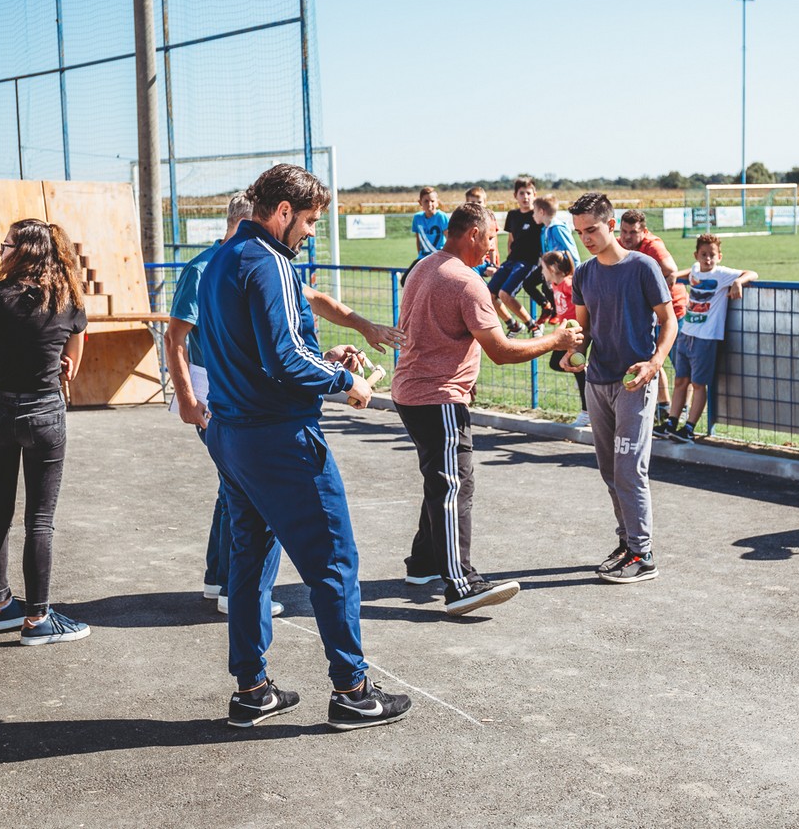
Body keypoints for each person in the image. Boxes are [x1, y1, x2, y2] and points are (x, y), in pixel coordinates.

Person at [196, 163, 410, 732]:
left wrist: (327, 359)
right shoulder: (270, 262)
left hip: (233, 433)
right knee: (334, 562)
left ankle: (252, 689)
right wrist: (347, 382)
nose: (313, 232)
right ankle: (353, 691)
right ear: (283, 212)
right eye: (311, 221)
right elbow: (283, 358)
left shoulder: (222, 258)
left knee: (250, 560)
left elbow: (260, 350)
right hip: (279, 439)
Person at [165, 192, 404, 617]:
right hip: (224, 396)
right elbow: (175, 338)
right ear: (251, 223)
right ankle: (231, 588)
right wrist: (186, 398)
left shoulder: (261, 264)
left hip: (245, 395)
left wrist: (360, 329)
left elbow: (311, 303)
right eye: (307, 221)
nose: (307, 233)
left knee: (233, 492)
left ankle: (217, 580)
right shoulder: (208, 268)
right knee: (253, 501)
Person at [392, 204, 581, 615]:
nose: (494, 248)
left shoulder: (426, 265)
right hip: (436, 397)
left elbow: (436, 331)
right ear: (474, 234)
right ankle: (461, 583)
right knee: (454, 485)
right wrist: (555, 340)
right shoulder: (467, 281)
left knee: (439, 480)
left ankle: (423, 564)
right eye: (492, 238)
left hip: (413, 391)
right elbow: (501, 350)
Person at [0, 219, 90, 645]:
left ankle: (1, 606)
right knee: (39, 521)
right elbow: (78, 335)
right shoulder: (66, 296)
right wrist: (68, 360)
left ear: (20, 250)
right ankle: (37, 619)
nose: (0, 252)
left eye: (4, 245)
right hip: (44, 412)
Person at [560, 193, 676, 584]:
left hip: (634, 383)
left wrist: (656, 362)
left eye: (591, 229)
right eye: (579, 232)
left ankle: (643, 554)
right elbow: (584, 330)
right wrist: (572, 350)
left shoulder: (643, 267)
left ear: (611, 226)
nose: (585, 238)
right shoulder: (584, 274)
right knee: (610, 471)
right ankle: (627, 543)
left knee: (629, 469)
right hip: (597, 382)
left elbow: (669, 321)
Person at [663, 234, 757, 443]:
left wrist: (739, 282)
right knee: (680, 380)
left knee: (698, 384)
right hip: (686, 334)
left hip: (706, 338)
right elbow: (692, 272)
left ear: (719, 257)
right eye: (703, 255)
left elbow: (752, 273)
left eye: (712, 255)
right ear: (696, 255)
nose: (708, 259)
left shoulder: (722, 274)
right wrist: (676, 275)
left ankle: (689, 427)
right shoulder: (696, 269)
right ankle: (671, 421)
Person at [614, 209, 686, 437]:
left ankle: (680, 412)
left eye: (633, 233)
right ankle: (663, 406)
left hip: (671, 311)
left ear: (644, 232)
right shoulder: (619, 245)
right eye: (624, 231)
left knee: (680, 367)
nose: (627, 238)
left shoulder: (653, 246)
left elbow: (672, 272)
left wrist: (644, 294)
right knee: (651, 360)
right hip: (647, 314)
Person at [487, 177, 544, 337]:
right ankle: (513, 325)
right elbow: (511, 239)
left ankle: (533, 326)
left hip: (529, 262)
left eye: (528, 193)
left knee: (505, 294)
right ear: (515, 196)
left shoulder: (538, 215)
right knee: (489, 295)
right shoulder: (512, 215)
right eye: (521, 193)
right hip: (511, 260)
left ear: (534, 194)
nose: (525, 197)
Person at [540, 249, 587, 427]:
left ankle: (586, 412)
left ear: (552, 268)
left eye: (543, 268)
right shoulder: (555, 285)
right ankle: (584, 378)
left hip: (575, 335)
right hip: (564, 335)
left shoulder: (568, 283)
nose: (541, 272)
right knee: (555, 363)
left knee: (578, 370)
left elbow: (583, 302)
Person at [400, 186, 448, 286]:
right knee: (405, 281)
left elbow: (449, 238)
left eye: (432, 201)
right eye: (426, 201)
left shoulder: (441, 217)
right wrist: (419, 256)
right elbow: (418, 239)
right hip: (423, 257)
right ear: (420, 202)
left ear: (437, 202)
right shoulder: (417, 218)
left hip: (439, 256)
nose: (430, 204)